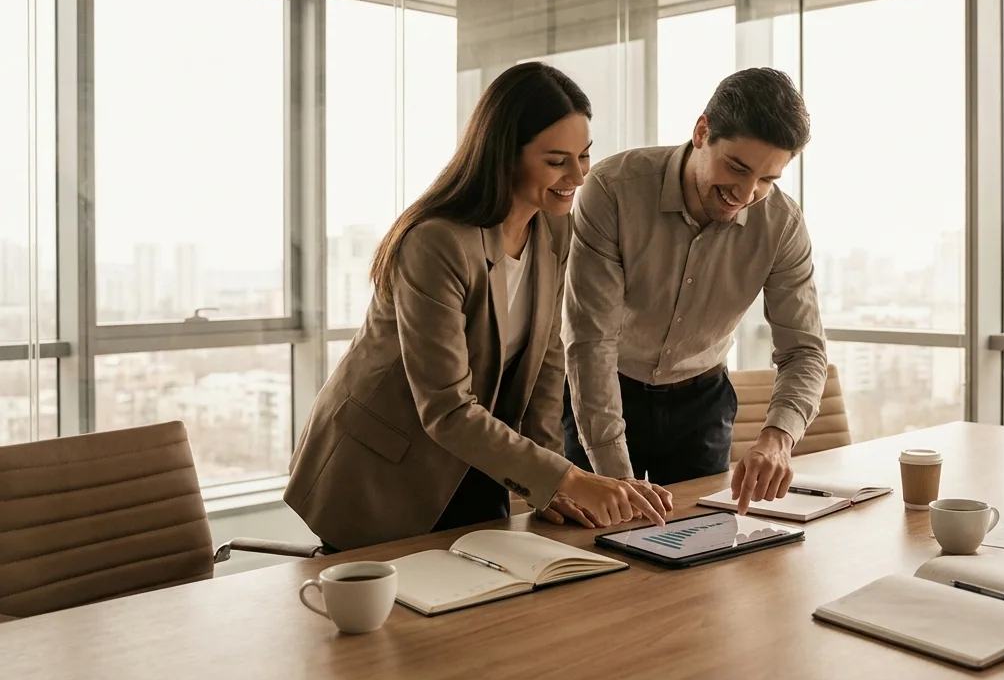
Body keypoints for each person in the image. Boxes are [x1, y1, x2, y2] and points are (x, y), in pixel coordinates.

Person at [285, 62, 669, 553]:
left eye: (584, 156)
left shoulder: (557, 235)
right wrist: (567, 478)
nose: (578, 175)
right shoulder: (437, 242)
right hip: (382, 472)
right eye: (557, 161)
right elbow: (445, 406)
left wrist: (549, 491)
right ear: (505, 156)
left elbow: (546, 378)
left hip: (476, 462)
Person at [562, 67, 827, 515]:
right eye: (737, 168)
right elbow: (592, 345)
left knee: (701, 552)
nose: (745, 193)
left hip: (702, 404)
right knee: (597, 544)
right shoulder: (612, 190)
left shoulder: (782, 224)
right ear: (702, 131)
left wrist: (777, 438)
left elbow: (804, 351)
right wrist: (619, 480)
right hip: (604, 391)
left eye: (767, 180)